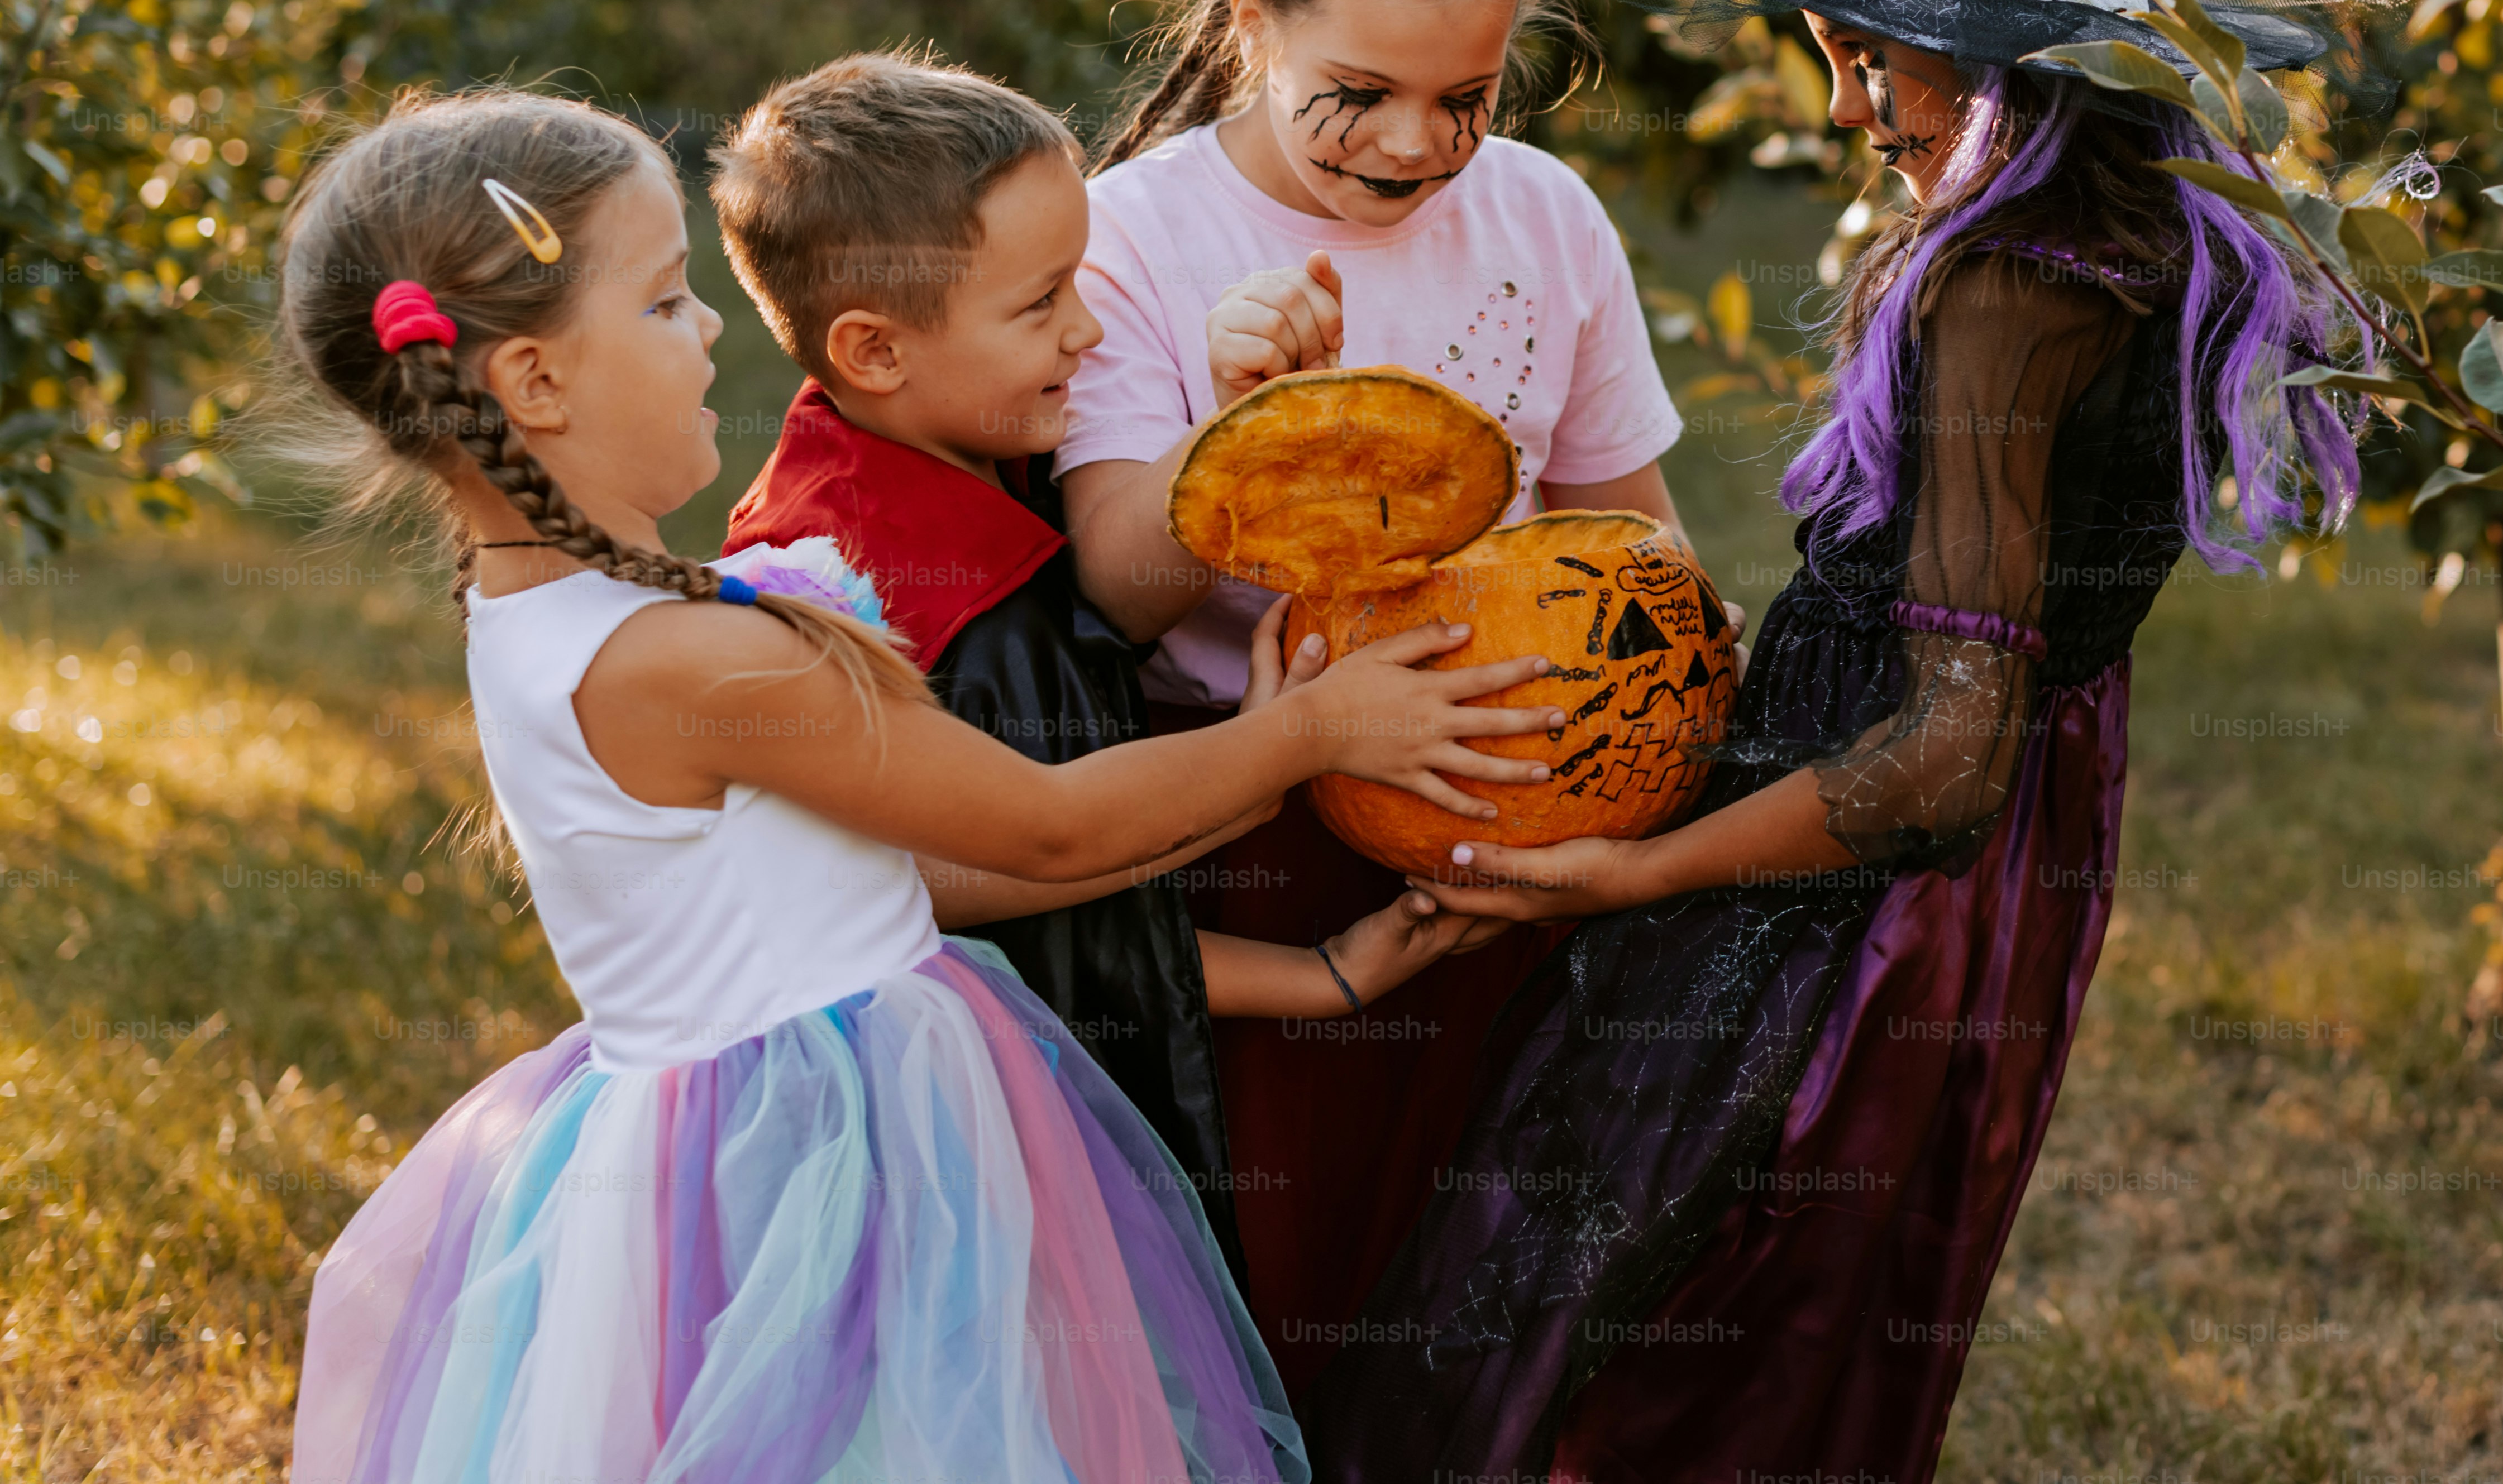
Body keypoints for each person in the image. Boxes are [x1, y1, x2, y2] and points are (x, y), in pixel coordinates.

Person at [1312, 0, 2377, 1476]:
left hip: (1851, 885)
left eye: (1880, 52)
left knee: (1645, 1287)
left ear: (2012, 63)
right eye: (1828, 41)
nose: (1843, 95)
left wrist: (1641, 864)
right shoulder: (2129, 222)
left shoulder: (2005, 286)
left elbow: (1941, 749)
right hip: (1983, 878)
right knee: (1793, 1308)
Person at [276, 88, 1573, 1479]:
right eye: (662, 303)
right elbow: (1045, 817)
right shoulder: (694, 660)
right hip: (833, 1167)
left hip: (722, 1155)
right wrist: (1314, 732)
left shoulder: (536, 612)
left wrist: (1291, 890)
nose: (711, 324)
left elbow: (942, 868)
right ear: (534, 383)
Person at [1051, 0, 1725, 1395]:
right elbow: (1116, 596)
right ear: (1247, 22)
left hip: (1526, 833)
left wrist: (1662, 727)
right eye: (1360, 92)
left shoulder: (1546, 218)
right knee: (1281, 1301)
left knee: (1482, 1303)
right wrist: (1245, 438)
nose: (1421, 142)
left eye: (1470, 94)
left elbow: (1637, 540)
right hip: (1256, 841)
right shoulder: (1130, 239)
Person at [710, 49, 1488, 1284]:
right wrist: (1298, 744)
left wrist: (1315, 966)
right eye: (1040, 304)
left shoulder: (980, 460)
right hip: (953, 1184)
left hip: (1062, 1118)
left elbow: (1069, 894)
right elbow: (983, 879)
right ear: (873, 348)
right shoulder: (863, 603)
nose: (1091, 327)